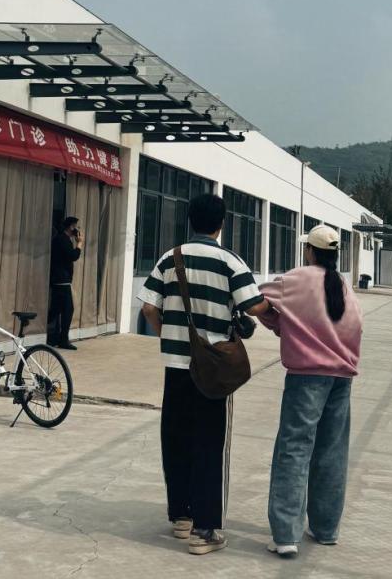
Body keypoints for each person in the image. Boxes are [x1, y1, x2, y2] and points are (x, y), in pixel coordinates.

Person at [139, 193, 270, 556]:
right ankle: (205, 530)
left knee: (176, 439)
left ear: (190, 221)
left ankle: (181, 517)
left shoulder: (170, 257)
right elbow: (253, 306)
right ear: (221, 224)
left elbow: (149, 307)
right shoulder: (230, 261)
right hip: (212, 369)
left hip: (176, 366)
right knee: (210, 443)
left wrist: (167, 334)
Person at [256, 224, 363, 558]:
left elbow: (255, 300)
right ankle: (325, 528)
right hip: (342, 378)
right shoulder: (342, 285)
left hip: (306, 378)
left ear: (310, 251)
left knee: (294, 449)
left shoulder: (296, 278)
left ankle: (286, 535)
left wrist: (280, 324)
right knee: (331, 452)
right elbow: (354, 326)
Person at [48, 216, 82, 350]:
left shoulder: (61, 239)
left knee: (56, 310)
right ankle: (63, 340)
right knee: (68, 310)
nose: (77, 229)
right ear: (71, 227)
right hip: (62, 280)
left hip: (59, 280)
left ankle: (53, 337)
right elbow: (73, 256)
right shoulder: (62, 240)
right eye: (75, 226)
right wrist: (79, 244)